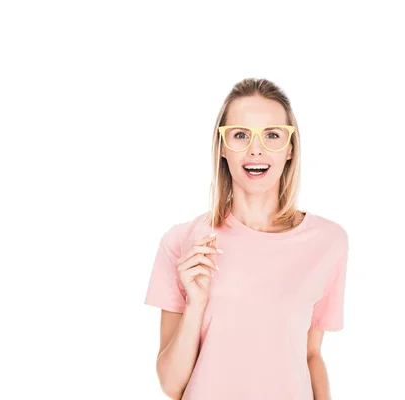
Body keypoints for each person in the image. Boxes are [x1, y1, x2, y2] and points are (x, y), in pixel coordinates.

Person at [144, 77, 350, 400]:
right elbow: (171, 385)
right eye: (240, 135)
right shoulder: (183, 241)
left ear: (290, 148)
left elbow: (311, 356)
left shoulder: (328, 242)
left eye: (272, 135)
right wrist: (196, 303)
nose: (256, 149)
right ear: (223, 147)